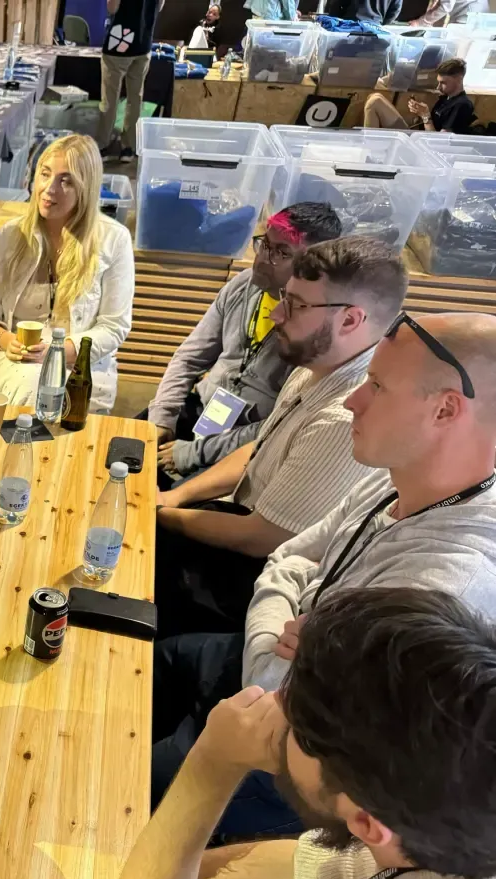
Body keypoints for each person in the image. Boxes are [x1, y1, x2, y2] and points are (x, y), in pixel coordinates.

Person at [154, 310, 496, 835]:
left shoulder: (450, 580)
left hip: (289, 763)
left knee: (119, 788)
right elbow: (286, 559)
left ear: (446, 410)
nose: (352, 399)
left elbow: (274, 688)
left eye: (377, 386)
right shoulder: (396, 479)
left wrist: (289, 622)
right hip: (255, 663)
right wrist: (290, 625)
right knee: (144, 660)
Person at [107, 587, 496, 879]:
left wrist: (212, 763)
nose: (278, 703)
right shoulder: (441, 821)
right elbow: (313, 861)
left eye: (301, 728)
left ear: (366, 821)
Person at [152, 235, 404, 638]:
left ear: (351, 320)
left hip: (249, 581)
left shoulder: (345, 415)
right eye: (284, 298)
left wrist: (163, 516)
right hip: (234, 518)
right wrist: (176, 497)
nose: (277, 316)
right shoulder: (315, 363)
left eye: (296, 306)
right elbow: (259, 449)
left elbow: (260, 538)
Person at [150, 203, 342, 481]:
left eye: (281, 253)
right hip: (203, 407)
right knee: (118, 452)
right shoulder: (243, 286)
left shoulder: (315, 330)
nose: (264, 258)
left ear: (313, 267)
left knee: (157, 507)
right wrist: (162, 416)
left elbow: (277, 427)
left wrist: (195, 453)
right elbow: (190, 357)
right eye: (264, 244)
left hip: (245, 444)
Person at [0, 134, 134, 413]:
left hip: (77, 366)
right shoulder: (10, 236)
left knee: (40, 391)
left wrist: (57, 352)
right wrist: (7, 342)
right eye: (45, 174)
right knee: (27, 388)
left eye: (66, 181)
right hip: (8, 361)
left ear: (85, 188)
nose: (48, 189)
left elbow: (114, 327)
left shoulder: (114, 240)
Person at [98, 0, 166, 163]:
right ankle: (128, 147)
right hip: (143, 44)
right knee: (135, 97)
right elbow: (160, 6)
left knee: (110, 97)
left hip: (119, 43)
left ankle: (103, 146)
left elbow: (112, 7)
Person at [364, 57, 475, 134]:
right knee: (375, 97)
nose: (438, 87)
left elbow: (439, 143)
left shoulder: (461, 105)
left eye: (443, 83)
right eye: (438, 82)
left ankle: (368, 148)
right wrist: (420, 114)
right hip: (416, 135)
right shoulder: (446, 98)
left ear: (459, 80)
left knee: (374, 103)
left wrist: (426, 116)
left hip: (421, 146)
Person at [411, 0, 482, 26]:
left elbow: (445, 7)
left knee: (457, 48)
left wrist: (419, 23)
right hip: (474, 11)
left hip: (469, 15)